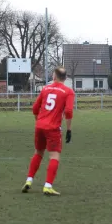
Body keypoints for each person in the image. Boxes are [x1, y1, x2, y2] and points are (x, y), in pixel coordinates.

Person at [22, 66, 75, 196]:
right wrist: (69, 130)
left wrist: (39, 121)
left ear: (54, 76)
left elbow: (35, 108)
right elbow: (68, 111)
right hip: (53, 128)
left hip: (39, 126)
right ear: (66, 78)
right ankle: (48, 186)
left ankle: (29, 180)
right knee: (54, 156)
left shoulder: (45, 89)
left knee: (38, 153)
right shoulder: (68, 92)